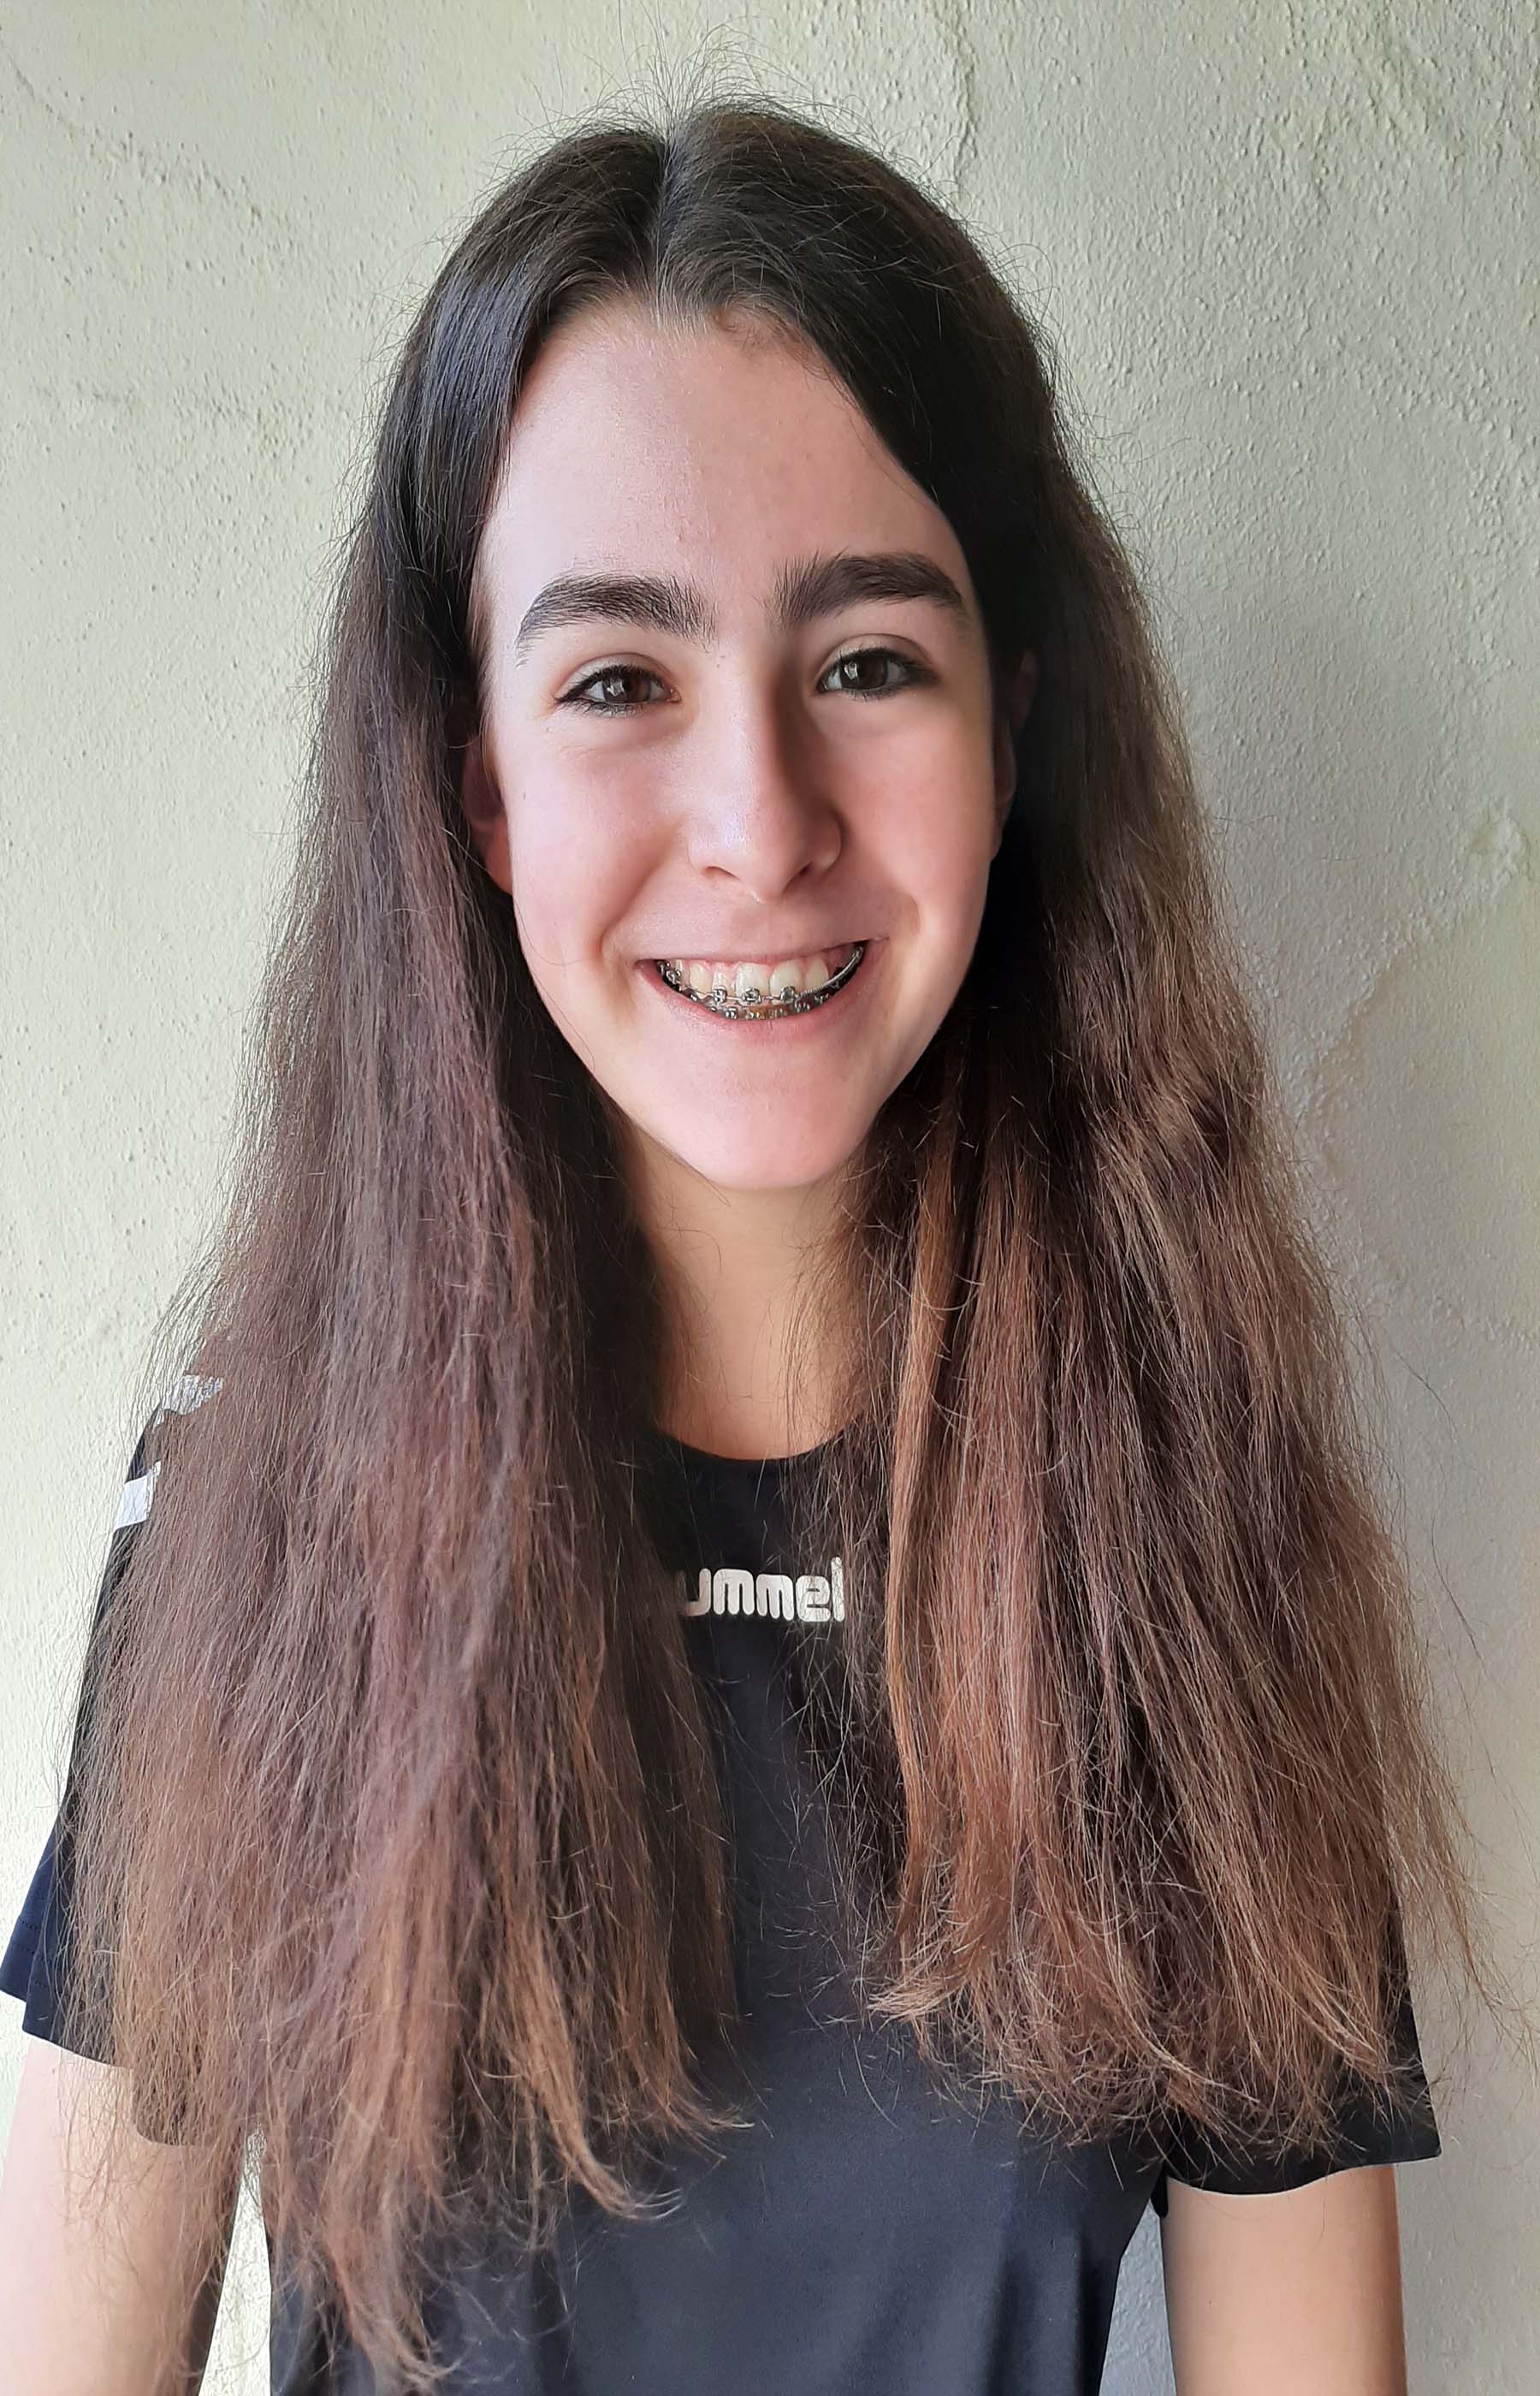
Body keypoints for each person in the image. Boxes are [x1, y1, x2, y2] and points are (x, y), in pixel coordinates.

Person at [0, 87, 1502, 2396]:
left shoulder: (1198, 1546)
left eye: (868, 661)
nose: (758, 822)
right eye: (619, 679)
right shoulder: (249, 1513)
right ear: (482, 784)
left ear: (1010, 734)